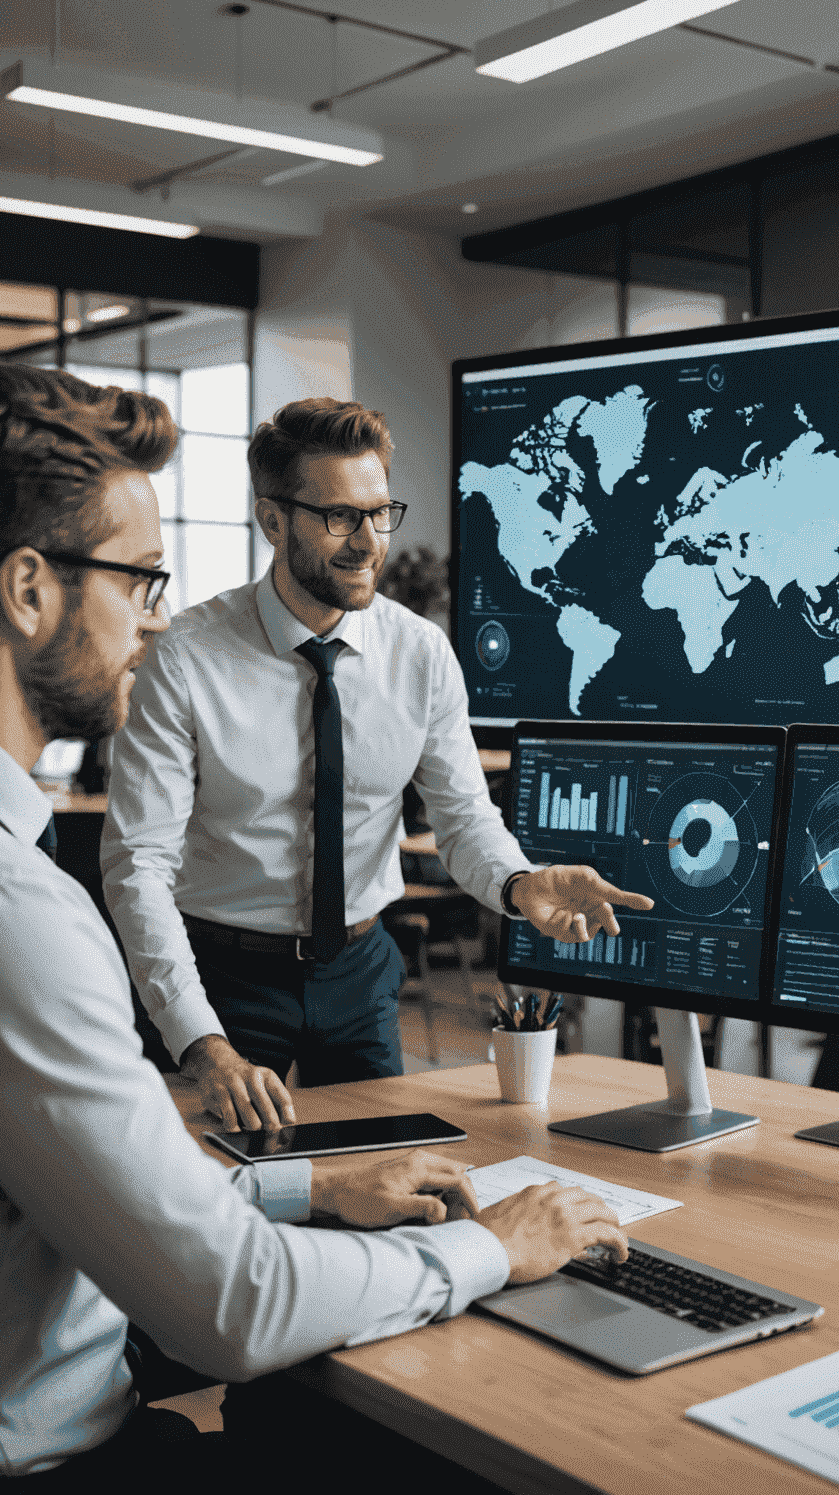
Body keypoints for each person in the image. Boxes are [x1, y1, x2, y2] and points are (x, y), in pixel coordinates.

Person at [0, 364, 628, 1491]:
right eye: (136, 579)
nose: (148, 621)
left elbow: (72, 1179)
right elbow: (232, 1307)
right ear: (27, 590)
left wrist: (308, 1188)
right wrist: (493, 1245)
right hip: (48, 1458)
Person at [101, 399, 650, 1132]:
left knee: (383, 1182)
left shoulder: (419, 654)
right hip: (219, 975)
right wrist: (201, 1044)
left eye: (379, 512)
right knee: (201, 1193)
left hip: (357, 973)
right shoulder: (186, 657)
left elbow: (462, 820)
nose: (368, 543)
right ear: (273, 521)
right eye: (338, 518)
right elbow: (138, 863)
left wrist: (519, 885)